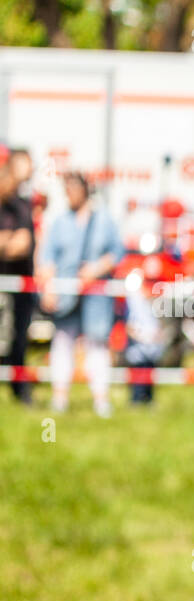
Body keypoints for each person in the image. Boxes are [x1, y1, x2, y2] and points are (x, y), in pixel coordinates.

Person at [36, 173, 123, 417]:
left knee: (97, 344)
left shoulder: (105, 220)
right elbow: (48, 257)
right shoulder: (60, 222)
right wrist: (49, 288)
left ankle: (101, 400)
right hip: (66, 294)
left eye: (74, 188)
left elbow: (118, 252)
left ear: (86, 190)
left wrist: (96, 269)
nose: (70, 193)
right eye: (67, 189)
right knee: (62, 341)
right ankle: (60, 398)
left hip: (96, 294)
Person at [0, 154, 35, 404]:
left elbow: (23, 245)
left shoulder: (21, 205)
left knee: (18, 339)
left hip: (20, 285)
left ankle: (19, 389)